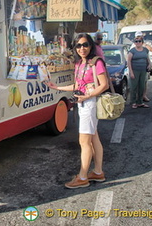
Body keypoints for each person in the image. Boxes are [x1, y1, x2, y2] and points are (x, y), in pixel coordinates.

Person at [46, 33, 109, 188]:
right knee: (94, 138)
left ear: (91, 46)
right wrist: (57, 87)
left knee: (84, 142)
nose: (82, 48)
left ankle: (82, 177)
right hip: (83, 104)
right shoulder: (79, 64)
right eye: (78, 45)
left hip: (90, 104)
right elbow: (77, 86)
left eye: (85, 45)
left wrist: (87, 96)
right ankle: (98, 172)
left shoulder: (96, 62)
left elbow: (104, 85)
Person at [127, 31, 151, 108]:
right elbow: (129, 61)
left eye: (139, 41)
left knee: (142, 86)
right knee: (133, 86)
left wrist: (149, 64)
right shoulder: (132, 51)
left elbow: (147, 58)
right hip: (135, 70)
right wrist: (131, 72)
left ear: (142, 42)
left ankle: (140, 102)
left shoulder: (145, 50)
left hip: (143, 70)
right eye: (136, 41)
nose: (138, 43)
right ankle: (133, 102)